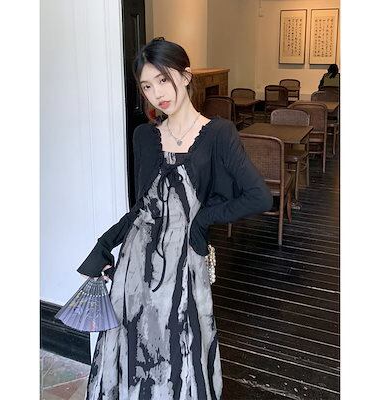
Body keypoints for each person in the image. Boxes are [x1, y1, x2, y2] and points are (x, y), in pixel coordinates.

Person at [77, 37, 273, 399]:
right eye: (147, 86)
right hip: (135, 264)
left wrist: (202, 220)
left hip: (185, 265)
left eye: (163, 80)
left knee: (181, 352)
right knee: (134, 349)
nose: (157, 94)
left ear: (185, 76)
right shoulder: (143, 136)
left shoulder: (218, 134)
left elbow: (258, 196)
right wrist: (104, 245)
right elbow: (141, 207)